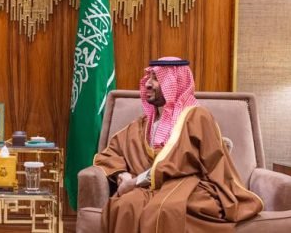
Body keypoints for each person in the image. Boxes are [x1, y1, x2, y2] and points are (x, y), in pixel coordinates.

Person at [94, 57, 263, 232]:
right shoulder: (143, 125)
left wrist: (135, 182)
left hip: (190, 186)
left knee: (167, 209)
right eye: (148, 77)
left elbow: (181, 162)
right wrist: (123, 175)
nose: (148, 84)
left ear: (174, 83)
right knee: (125, 206)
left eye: (156, 78)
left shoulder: (197, 117)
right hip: (150, 188)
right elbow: (111, 153)